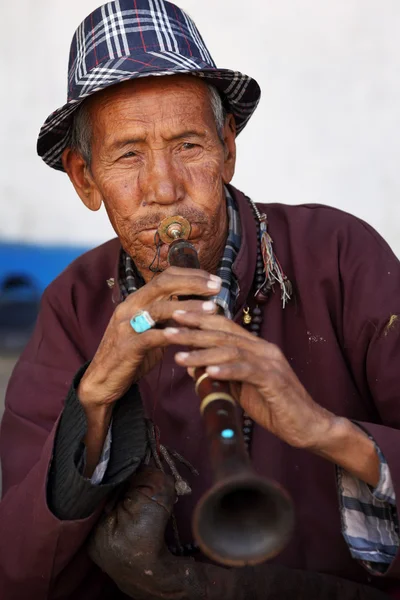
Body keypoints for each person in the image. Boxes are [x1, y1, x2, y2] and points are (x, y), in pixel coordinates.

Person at [1, 1, 399, 598]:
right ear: (85, 179)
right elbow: (19, 572)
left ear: (228, 150)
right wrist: (94, 404)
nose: (163, 189)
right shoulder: (74, 303)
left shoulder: (341, 254)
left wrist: (324, 429)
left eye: (189, 145)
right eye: (129, 154)